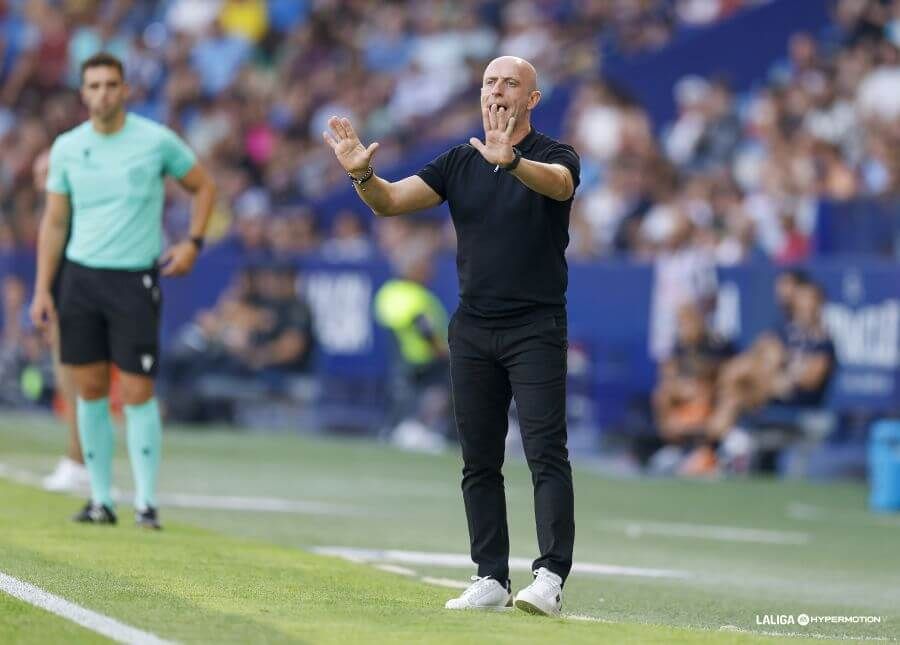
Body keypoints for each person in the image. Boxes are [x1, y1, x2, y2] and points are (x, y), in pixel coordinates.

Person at [324, 55, 579, 616]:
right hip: (473, 327)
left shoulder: (555, 156)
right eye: (490, 82)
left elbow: (559, 187)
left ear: (531, 99)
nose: (498, 91)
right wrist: (360, 174)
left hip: (535, 326)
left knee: (544, 453)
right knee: (478, 460)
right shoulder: (460, 160)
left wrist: (511, 162)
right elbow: (390, 202)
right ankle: (490, 576)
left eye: (511, 83)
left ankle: (550, 576)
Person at [29, 52, 216, 529]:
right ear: (82, 93)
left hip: (134, 279)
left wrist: (193, 243)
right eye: (93, 86)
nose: (103, 94)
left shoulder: (155, 141)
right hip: (81, 279)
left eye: (111, 85)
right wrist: (42, 289)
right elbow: (54, 222)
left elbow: (203, 186)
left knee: (136, 390)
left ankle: (147, 504)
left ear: (126, 90)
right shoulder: (69, 148)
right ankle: (99, 500)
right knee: (88, 389)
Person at [28, 148, 90, 492]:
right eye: (39, 175)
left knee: (79, 384)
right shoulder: (55, 213)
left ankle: (79, 459)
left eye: (46, 173)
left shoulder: (72, 217)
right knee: (70, 385)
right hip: (65, 305)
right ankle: (76, 458)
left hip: (79, 303)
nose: (42, 182)